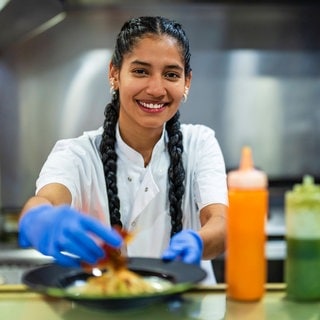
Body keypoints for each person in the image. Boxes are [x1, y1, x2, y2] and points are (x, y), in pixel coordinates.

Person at [18, 16, 228, 284]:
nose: (156, 89)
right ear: (114, 73)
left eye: (171, 74)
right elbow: (45, 200)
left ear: (186, 82)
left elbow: (221, 223)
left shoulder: (199, 143)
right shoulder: (77, 154)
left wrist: (199, 242)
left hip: (190, 309)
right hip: (104, 306)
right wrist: (38, 218)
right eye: (141, 71)